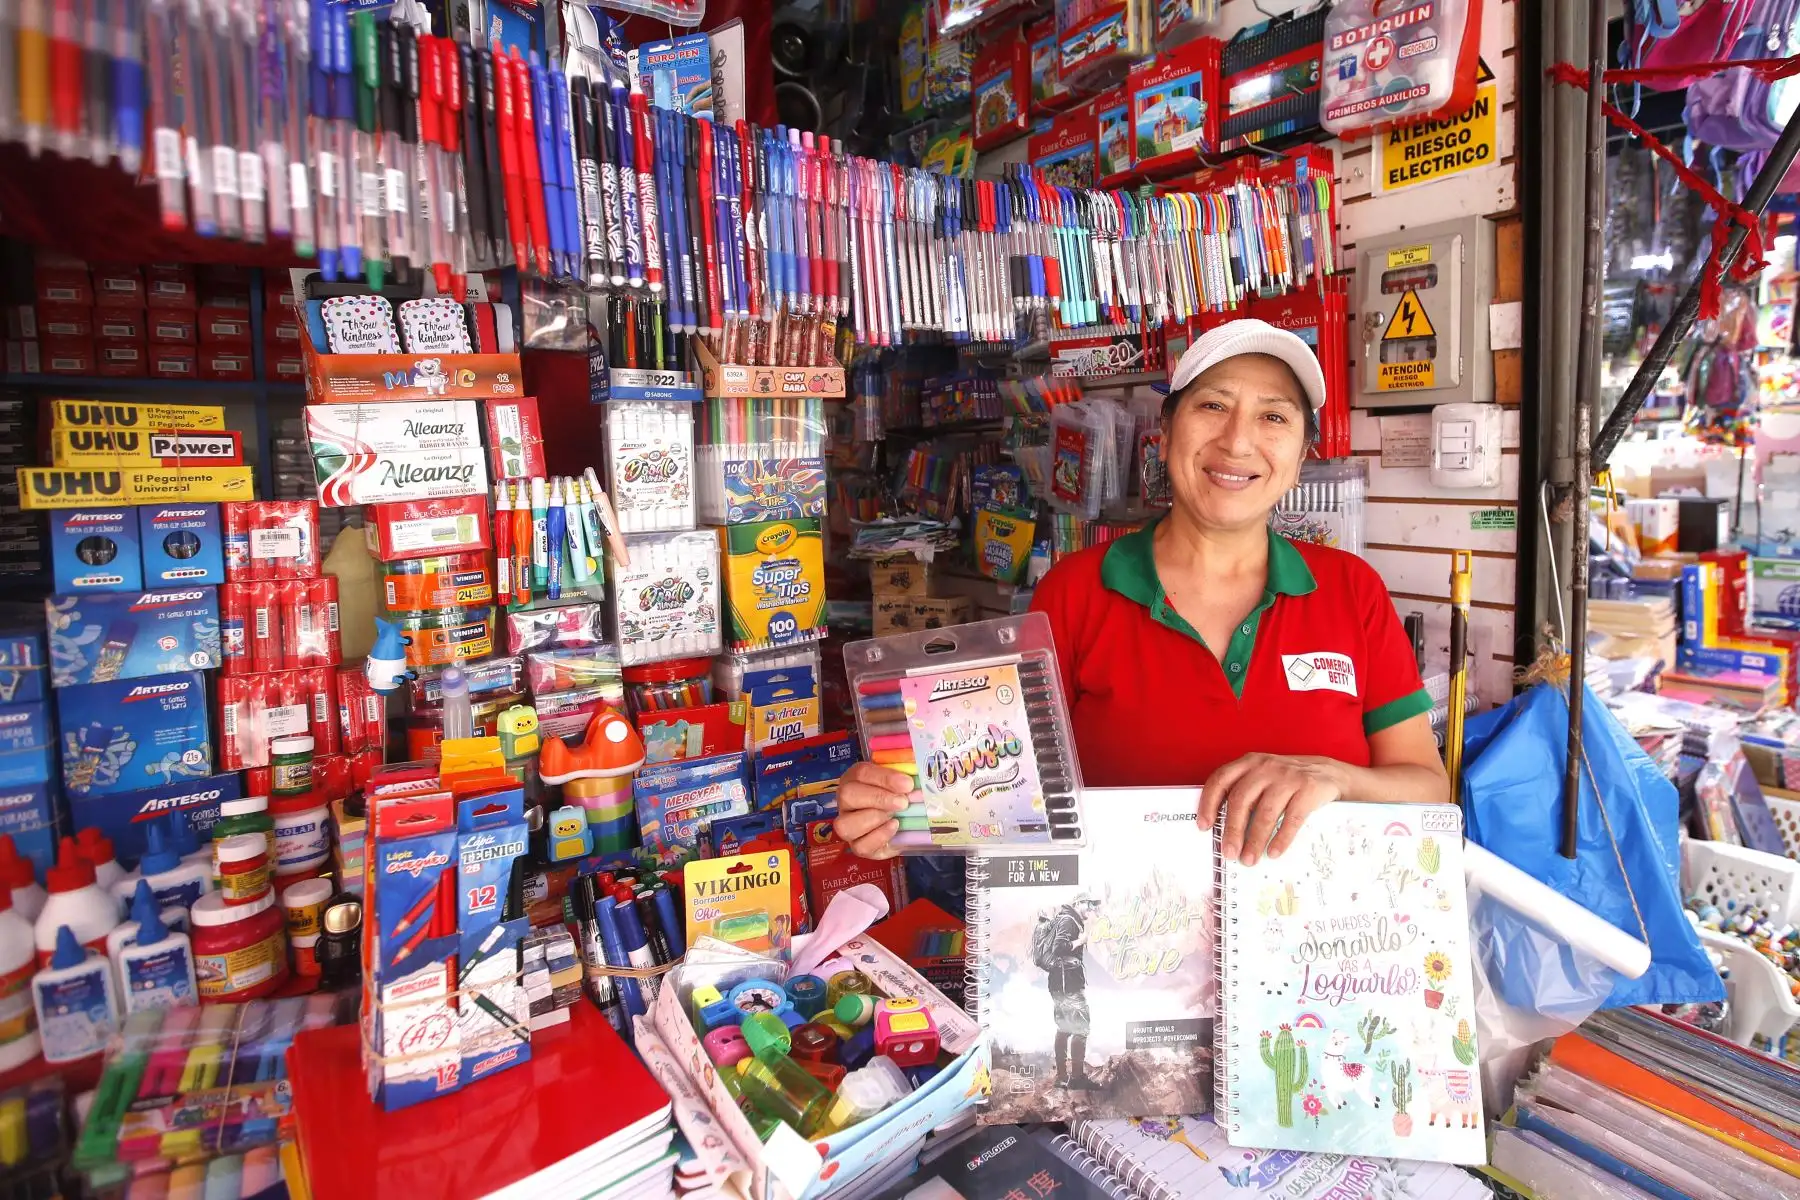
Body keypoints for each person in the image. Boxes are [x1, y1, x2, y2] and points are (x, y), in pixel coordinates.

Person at [834, 319, 1449, 866]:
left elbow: (1428, 785)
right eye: (1213, 406)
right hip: (1125, 957)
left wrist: (1333, 776)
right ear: (1165, 428)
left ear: (1300, 452)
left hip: (1309, 959)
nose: (1238, 441)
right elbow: (996, 789)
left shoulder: (1351, 589)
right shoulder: (1074, 592)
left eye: (1274, 416)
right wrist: (910, 811)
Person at [1039, 894, 1102, 1089]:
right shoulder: (1068, 921)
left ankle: (1061, 1077)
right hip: (1069, 984)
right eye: (1088, 904)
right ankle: (1076, 1079)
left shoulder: (1063, 918)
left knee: (1064, 1028)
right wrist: (1080, 941)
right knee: (1081, 1028)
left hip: (1059, 983)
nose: (1091, 909)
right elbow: (1059, 948)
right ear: (1077, 904)